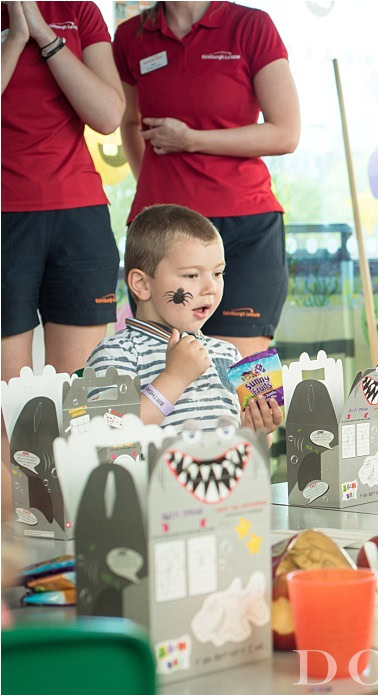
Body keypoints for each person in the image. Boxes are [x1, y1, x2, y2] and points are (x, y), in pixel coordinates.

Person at [112, 1, 300, 360]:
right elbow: (129, 122)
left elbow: (286, 133)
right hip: (162, 234)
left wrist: (192, 140)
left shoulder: (251, 25)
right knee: (160, 365)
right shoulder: (130, 35)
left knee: (242, 379)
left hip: (244, 227)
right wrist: (155, 195)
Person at [85, 204, 282, 440]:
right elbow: (108, 434)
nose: (211, 288)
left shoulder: (228, 355)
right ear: (142, 284)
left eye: (218, 273)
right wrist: (174, 378)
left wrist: (256, 430)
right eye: (191, 275)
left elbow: (246, 447)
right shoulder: (116, 353)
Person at [1, 0, 124, 378]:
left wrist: (43, 35)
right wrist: (17, 37)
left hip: (79, 214)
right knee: (8, 404)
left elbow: (107, 116)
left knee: (78, 398)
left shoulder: (79, 10)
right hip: (6, 214)